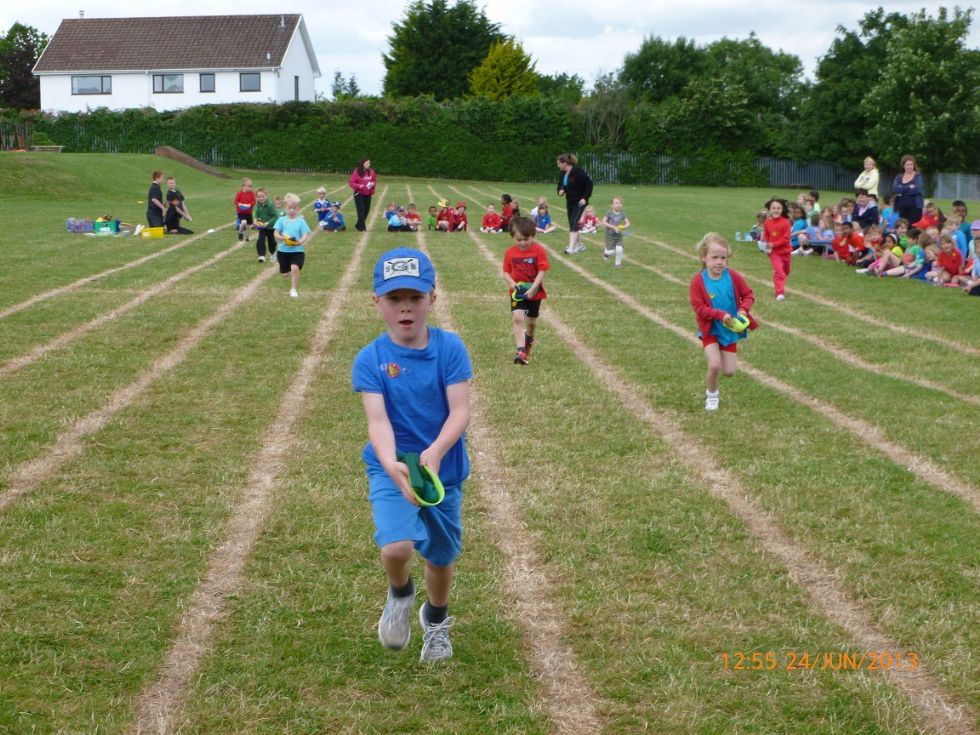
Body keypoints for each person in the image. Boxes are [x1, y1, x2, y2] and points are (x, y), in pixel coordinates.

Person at [352, 246, 472, 663]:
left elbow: (460, 410)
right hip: (392, 467)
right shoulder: (370, 359)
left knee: (441, 558)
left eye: (415, 298)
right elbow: (378, 422)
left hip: (443, 471)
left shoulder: (450, 349)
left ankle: (435, 620)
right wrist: (391, 464)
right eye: (394, 299)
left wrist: (436, 452)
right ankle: (400, 594)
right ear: (377, 303)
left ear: (432, 299)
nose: (406, 309)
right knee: (396, 548)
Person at [688, 233, 756, 412]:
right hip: (710, 329)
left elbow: (748, 295)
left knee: (729, 371)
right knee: (714, 365)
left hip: (730, 330)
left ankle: (716, 385)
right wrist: (719, 315)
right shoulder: (698, 281)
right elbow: (699, 308)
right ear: (704, 257)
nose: (719, 262)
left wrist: (743, 309)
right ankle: (712, 396)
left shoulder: (732, 276)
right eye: (714, 257)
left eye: (723, 258)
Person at [502, 217, 549, 365]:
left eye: (526, 239)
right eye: (519, 239)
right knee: (517, 318)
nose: (522, 243)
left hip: (534, 292)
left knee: (532, 322)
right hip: (518, 292)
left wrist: (534, 287)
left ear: (533, 235)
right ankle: (521, 351)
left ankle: (529, 338)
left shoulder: (538, 251)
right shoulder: (510, 253)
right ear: (513, 237)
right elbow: (506, 272)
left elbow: (542, 271)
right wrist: (512, 283)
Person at [274, 192, 312, 298]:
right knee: (285, 274)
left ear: (298, 208)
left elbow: (305, 234)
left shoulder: (301, 221)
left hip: (297, 250)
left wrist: (300, 241)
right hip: (282, 251)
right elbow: (276, 233)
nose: (292, 210)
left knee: (295, 268)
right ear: (285, 208)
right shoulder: (281, 220)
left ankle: (293, 289)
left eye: (294, 208)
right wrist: (281, 237)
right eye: (289, 208)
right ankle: (287, 271)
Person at [556, 153, 593, 254]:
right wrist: (560, 191)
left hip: (580, 202)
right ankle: (580, 245)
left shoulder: (577, 171)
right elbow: (560, 186)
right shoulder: (563, 173)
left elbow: (589, 184)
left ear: (565, 163)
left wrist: (585, 198)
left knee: (573, 223)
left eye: (558, 163)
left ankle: (571, 248)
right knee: (572, 224)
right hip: (570, 201)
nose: (557, 165)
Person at [761, 197, 791, 301]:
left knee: (786, 271)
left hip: (786, 252)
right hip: (774, 253)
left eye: (778, 208)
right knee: (780, 273)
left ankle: (778, 276)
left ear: (782, 210)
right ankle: (779, 293)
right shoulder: (767, 223)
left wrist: (773, 244)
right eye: (773, 208)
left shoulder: (786, 222)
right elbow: (766, 236)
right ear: (770, 209)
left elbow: (786, 239)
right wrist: (765, 245)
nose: (776, 210)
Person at [892, 155, 924, 224]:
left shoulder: (917, 176)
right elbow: (895, 189)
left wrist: (902, 190)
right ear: (903, 166)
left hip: (915, 207)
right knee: (903, 227)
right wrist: (909, 187)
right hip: (902, 207)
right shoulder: (899, 177)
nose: (910, 166)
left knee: (912, 228)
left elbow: (917, 189)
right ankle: (904, 236)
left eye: (911, 164)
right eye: (907, 165)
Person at [601, 196, 630, 267]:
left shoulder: (622, 214)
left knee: (619, 250)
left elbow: (628, 223)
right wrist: (613, 227)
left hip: (619, 236)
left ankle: (617, 264)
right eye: (616, 203)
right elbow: (603, 221)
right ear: (612, 205)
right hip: (610, 236)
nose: (618, 204)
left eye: (620, 203)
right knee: (610, 251)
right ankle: (606, 253)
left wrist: (623, 227)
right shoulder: (609, 213)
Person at [349, 158, 377, 232]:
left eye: (369, 163)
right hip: (359, 194)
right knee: (361, 211)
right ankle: (362, 228)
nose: (369, 165)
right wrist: (359, 186)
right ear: (363, 164)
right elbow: (351, 183)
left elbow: (374, 180)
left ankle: (358, 224)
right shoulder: (356, 172)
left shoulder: (371, 172)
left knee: (366, 211)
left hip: (368, 194)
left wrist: (372, 184)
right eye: (367, 163)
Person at [253, 187, 278, 261]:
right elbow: (255, 212)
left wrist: (267, 223)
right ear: (256, 197)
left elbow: (275, 216)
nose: (261, 198)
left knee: (272, 241)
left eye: (263, 196)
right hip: (262, 227)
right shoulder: (258, 204)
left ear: (266, 196)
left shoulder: (270, 205)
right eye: (259, 197)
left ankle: (273, 253)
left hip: (270, 226)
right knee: (261, 239)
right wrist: (255, 220)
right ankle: (261, 255)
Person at [235, 177, 256, 242]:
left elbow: (254, 201)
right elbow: (235, 201)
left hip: (249, 212)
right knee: (244, 222)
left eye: (250, 187)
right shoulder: (239, 193)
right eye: (248, 187)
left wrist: (249, 205)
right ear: (243, 186)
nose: (249, 188)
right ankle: (240, 232)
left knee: (248, 226)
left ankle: (247, 236)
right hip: (241, 212)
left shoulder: (252, 194)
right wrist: (240, 204)